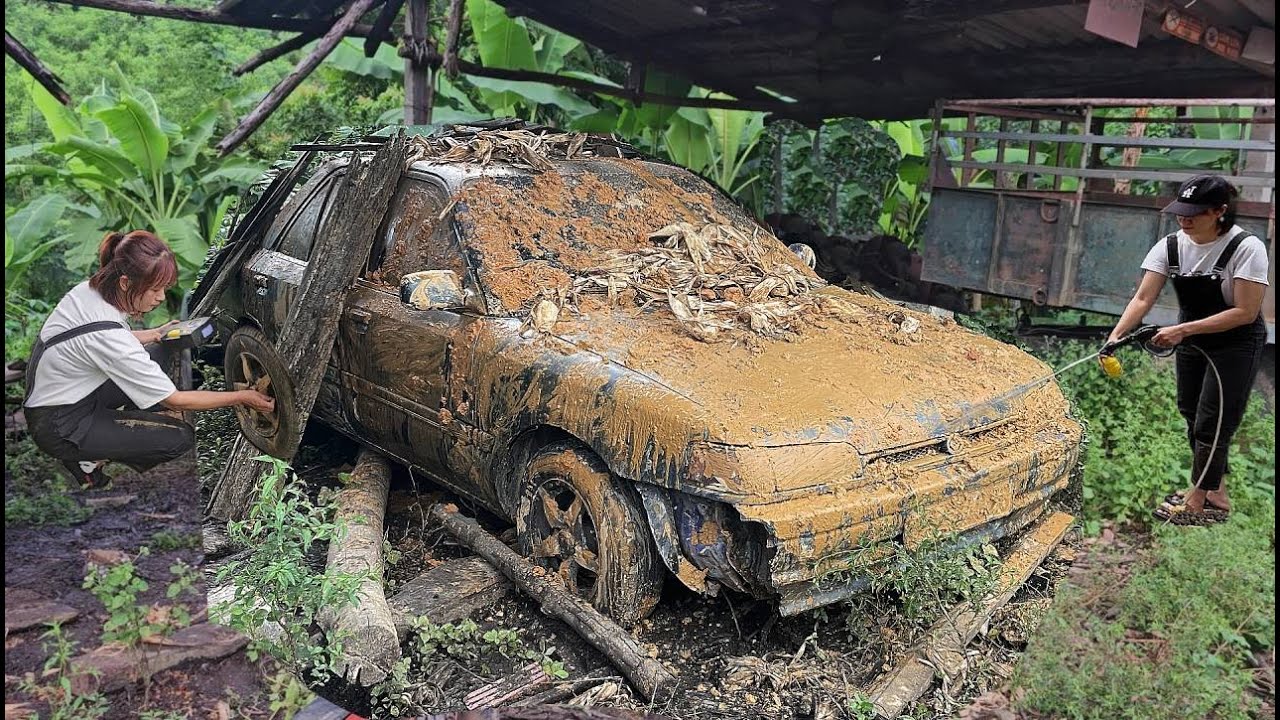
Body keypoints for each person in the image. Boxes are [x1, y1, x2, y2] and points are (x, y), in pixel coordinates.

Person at [23, 230, 275, 489]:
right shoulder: (110, 338)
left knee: (163, 347)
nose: (161, 297)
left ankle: (119, 427)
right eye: (154, 289)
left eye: (164, 288)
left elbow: (100, 340)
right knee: (178, 436)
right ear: (124, 283)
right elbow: (176, 399)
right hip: (58, 426)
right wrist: (242, 397)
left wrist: (156, 333)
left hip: (65, 391)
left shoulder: (89, 291)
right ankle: (87, 458)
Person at [1105, 174, 1269, 525]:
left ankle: (1196, 499)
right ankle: (1218, 494)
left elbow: (1245, 311)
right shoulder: (1171, 246)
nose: (1184, 218)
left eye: (1194, 212)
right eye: (1181, 210)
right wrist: (1116, 336)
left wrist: (1181, 330)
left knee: (1214, 420)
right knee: (1191, 412)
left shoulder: (1246, 247)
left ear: (1219, 211)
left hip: (1236, 341)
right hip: (1193, 338)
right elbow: (1143, 297)